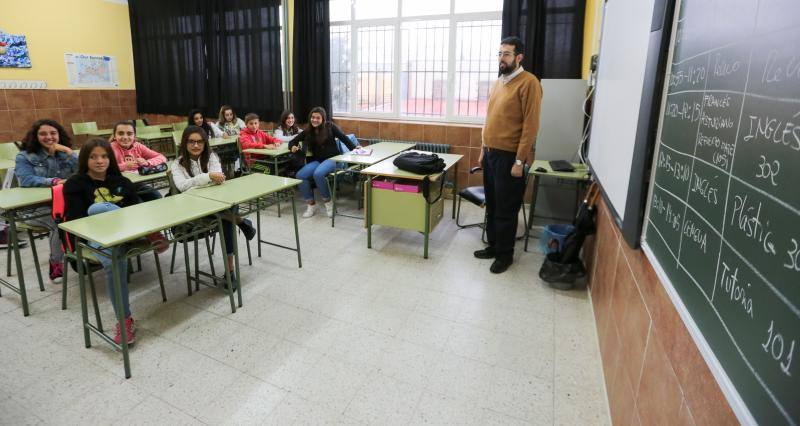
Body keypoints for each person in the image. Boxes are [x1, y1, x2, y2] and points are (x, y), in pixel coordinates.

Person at [63, 138, 167, 345]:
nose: (100, 161)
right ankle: (124, 319)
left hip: (127, 231)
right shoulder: (75, 184)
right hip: (97, 236)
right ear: (85, 159)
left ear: (110, 158)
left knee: (105, 210)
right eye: (93, 157)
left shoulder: (122, 182)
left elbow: (134, 210)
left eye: (103, 156)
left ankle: (147, 231)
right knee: (97, 213)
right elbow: (78, 221)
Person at [474, 36, 543, 274]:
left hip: (509, 158)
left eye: (506, 54)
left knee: (506, 208)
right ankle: (494, 246)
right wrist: (483, 149)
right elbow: (488, 120)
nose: (501, 58)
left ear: (519, 57)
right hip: (492, 154)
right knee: (492, 205)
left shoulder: (529, 83)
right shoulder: (498, 82)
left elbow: (530, 126)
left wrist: (519, 160)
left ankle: (505, 255)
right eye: (500, 53)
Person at [172, 126, 257, 285]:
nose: (196, 145)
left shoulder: (211, 157)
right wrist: (208, 177)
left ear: (205, 144)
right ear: (184, 143)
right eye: (191, 142)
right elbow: (182, 186)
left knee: (227, 211)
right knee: (227, 216)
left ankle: (230, 270)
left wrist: (203, 180)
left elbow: (220, 179)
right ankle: (241, 222)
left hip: (216, 203)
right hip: (195, 208)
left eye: (199, 142)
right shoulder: (177, 164)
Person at [15, 119, 78, 283]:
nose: (49, 137)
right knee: (60, 223)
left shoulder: (64, 153)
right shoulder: (24, 156)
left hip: (62, 202)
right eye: (43, 134)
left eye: (53, 133)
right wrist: (55, 181)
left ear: (59, 135)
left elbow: (83, 169)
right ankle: (56, 262)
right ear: (35, 137)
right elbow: (27, 179)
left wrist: (69, 151)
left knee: (85, 212)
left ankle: (78, 255)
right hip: (34, 208)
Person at [288, 107, 359, 218]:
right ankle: (311, 205)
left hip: (334, 159)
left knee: (318, 174)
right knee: (300, 175)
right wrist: (292, 146)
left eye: (318, 118)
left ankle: (329, 203)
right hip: (318, 161)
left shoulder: (330, 127)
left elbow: (344, 138)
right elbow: (293, 141)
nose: (314, 120)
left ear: (323, 119)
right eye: (312, 117)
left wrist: (355, 148)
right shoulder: (308, 130)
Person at [109, 120, 166, 202]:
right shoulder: (110, 148)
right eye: (120, 133)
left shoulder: (138, 146)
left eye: (129, 134)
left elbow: (161, 157)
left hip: (137, 183)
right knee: (138, 202)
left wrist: (147, 163)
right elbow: (106, 168)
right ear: (114, 136)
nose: (125, 137)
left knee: (157, 197)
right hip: (118, 187)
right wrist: (124, 166)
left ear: (134, 136)